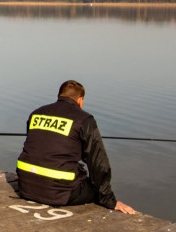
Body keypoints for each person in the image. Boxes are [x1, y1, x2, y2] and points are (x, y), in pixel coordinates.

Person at [16, 80, 136, 214]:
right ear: (80, 100)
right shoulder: (84, 120)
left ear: (59, 95)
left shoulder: (36, 113)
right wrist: (109, 200)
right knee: (95, 187)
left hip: (26, 186)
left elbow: (38, 148)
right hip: (61, 193)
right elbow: (98, 163)